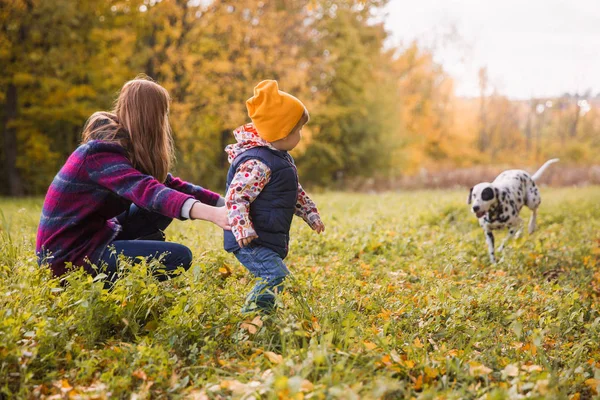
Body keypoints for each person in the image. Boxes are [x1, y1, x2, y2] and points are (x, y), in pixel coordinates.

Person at [36, 77, 230, 282]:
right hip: (66, 257)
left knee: (162, 207)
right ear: (152, 117)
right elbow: (149, 191)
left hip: (93, 237)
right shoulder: (99, 153)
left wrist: (226, 205)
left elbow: (167, 184)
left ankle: (131, 257)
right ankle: (120, 279)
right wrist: (213, 214)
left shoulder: (124, 147)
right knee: (179, 257)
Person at [224, 80, 324, 313]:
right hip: (250, 239)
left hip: (265, 235)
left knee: (275, 277)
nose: (300, 135)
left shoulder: (279, 157)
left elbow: (293, 192)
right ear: (281, 131)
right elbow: (235, 197)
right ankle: (250, 319)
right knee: (275, 275)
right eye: (298, 130)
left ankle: (264, 315)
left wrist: (310, 213)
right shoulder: (258, 163)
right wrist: (243, 228)